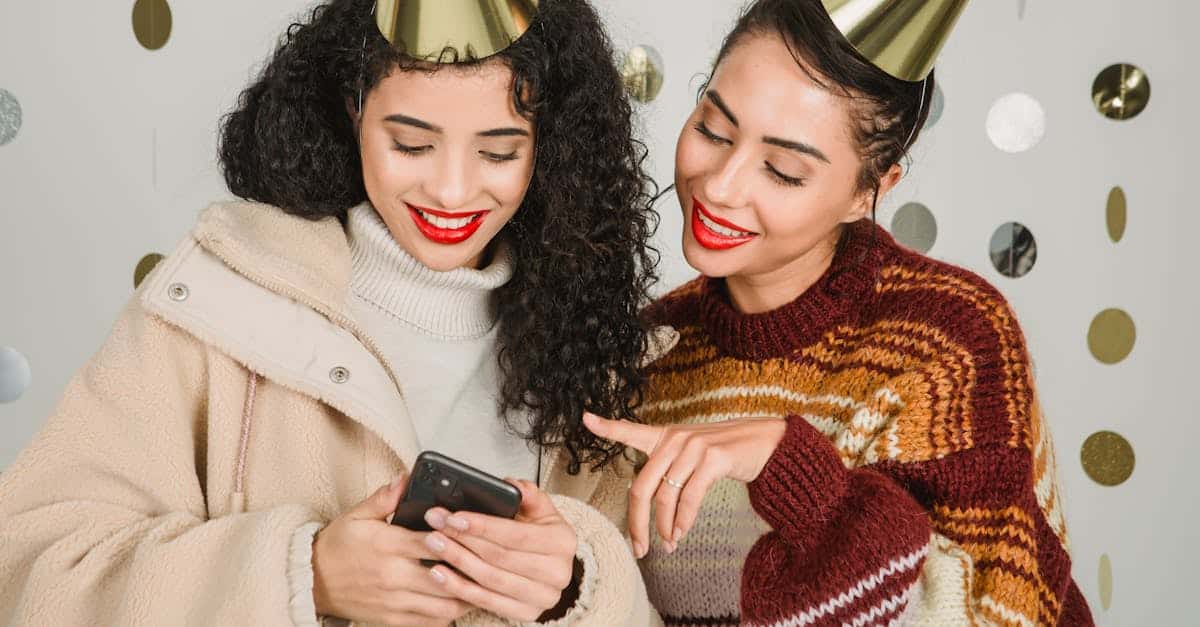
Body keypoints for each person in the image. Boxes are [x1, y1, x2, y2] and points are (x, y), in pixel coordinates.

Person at [0, 0, 662, 625]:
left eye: (498, 151)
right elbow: (30, 574)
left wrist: (579, 586)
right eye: (410, 144)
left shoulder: (598, 354)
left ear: (548, 144)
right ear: (354, 110)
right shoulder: (217, 298)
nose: (453, 189)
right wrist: (303, 573)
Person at [583, 0, 1095, 624]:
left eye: (784, 170)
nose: (719, 185)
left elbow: (1002, 615)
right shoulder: (646, 351)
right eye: (714, 130)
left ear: (868, 191)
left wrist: (794, 473)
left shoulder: (950, 340)